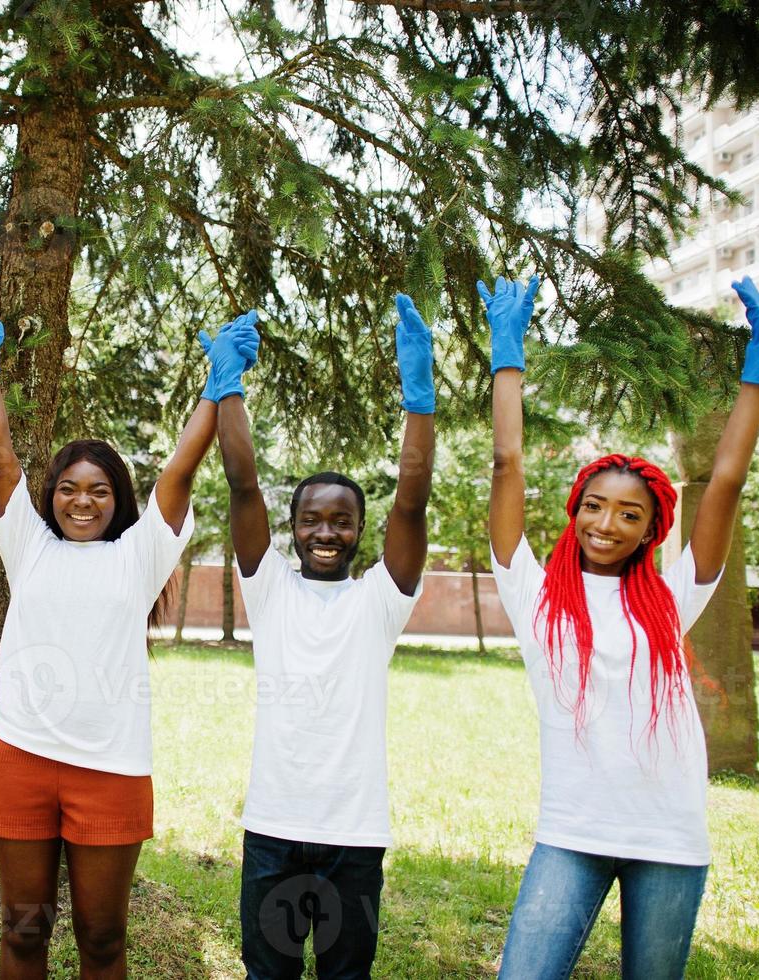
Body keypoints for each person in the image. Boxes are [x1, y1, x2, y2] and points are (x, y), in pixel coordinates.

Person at [486, 275, 759, 979]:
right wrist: (505, 356)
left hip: (667, 837)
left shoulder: (671, 599)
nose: (606, 523)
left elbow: (724, 480)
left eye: (628, 515)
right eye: (594, 506)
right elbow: (505, 462)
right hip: (571, 834)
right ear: (575, 510)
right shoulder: (533, 594)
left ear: (648, 532)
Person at [0, 304, 255, 979]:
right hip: (20, 759)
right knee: (22, 933)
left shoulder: (139, 554)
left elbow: (179, 473)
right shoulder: (27, 545)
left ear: (116, 498)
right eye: (67, 489)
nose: (80, 501)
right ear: (50, 497)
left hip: (111, 770)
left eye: (97, 490)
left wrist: (218, 385)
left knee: (102, 939)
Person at [221, 297, 435, 979]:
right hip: (273, 833)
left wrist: (419, 398)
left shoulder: (379, 600)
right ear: (292, 526)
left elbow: (411, 497)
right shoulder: (268, 588)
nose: (324, 532)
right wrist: (226, 385)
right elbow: (241, 483)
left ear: (358, 532)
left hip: (353, 838)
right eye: (311, 519)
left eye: (340, 521)